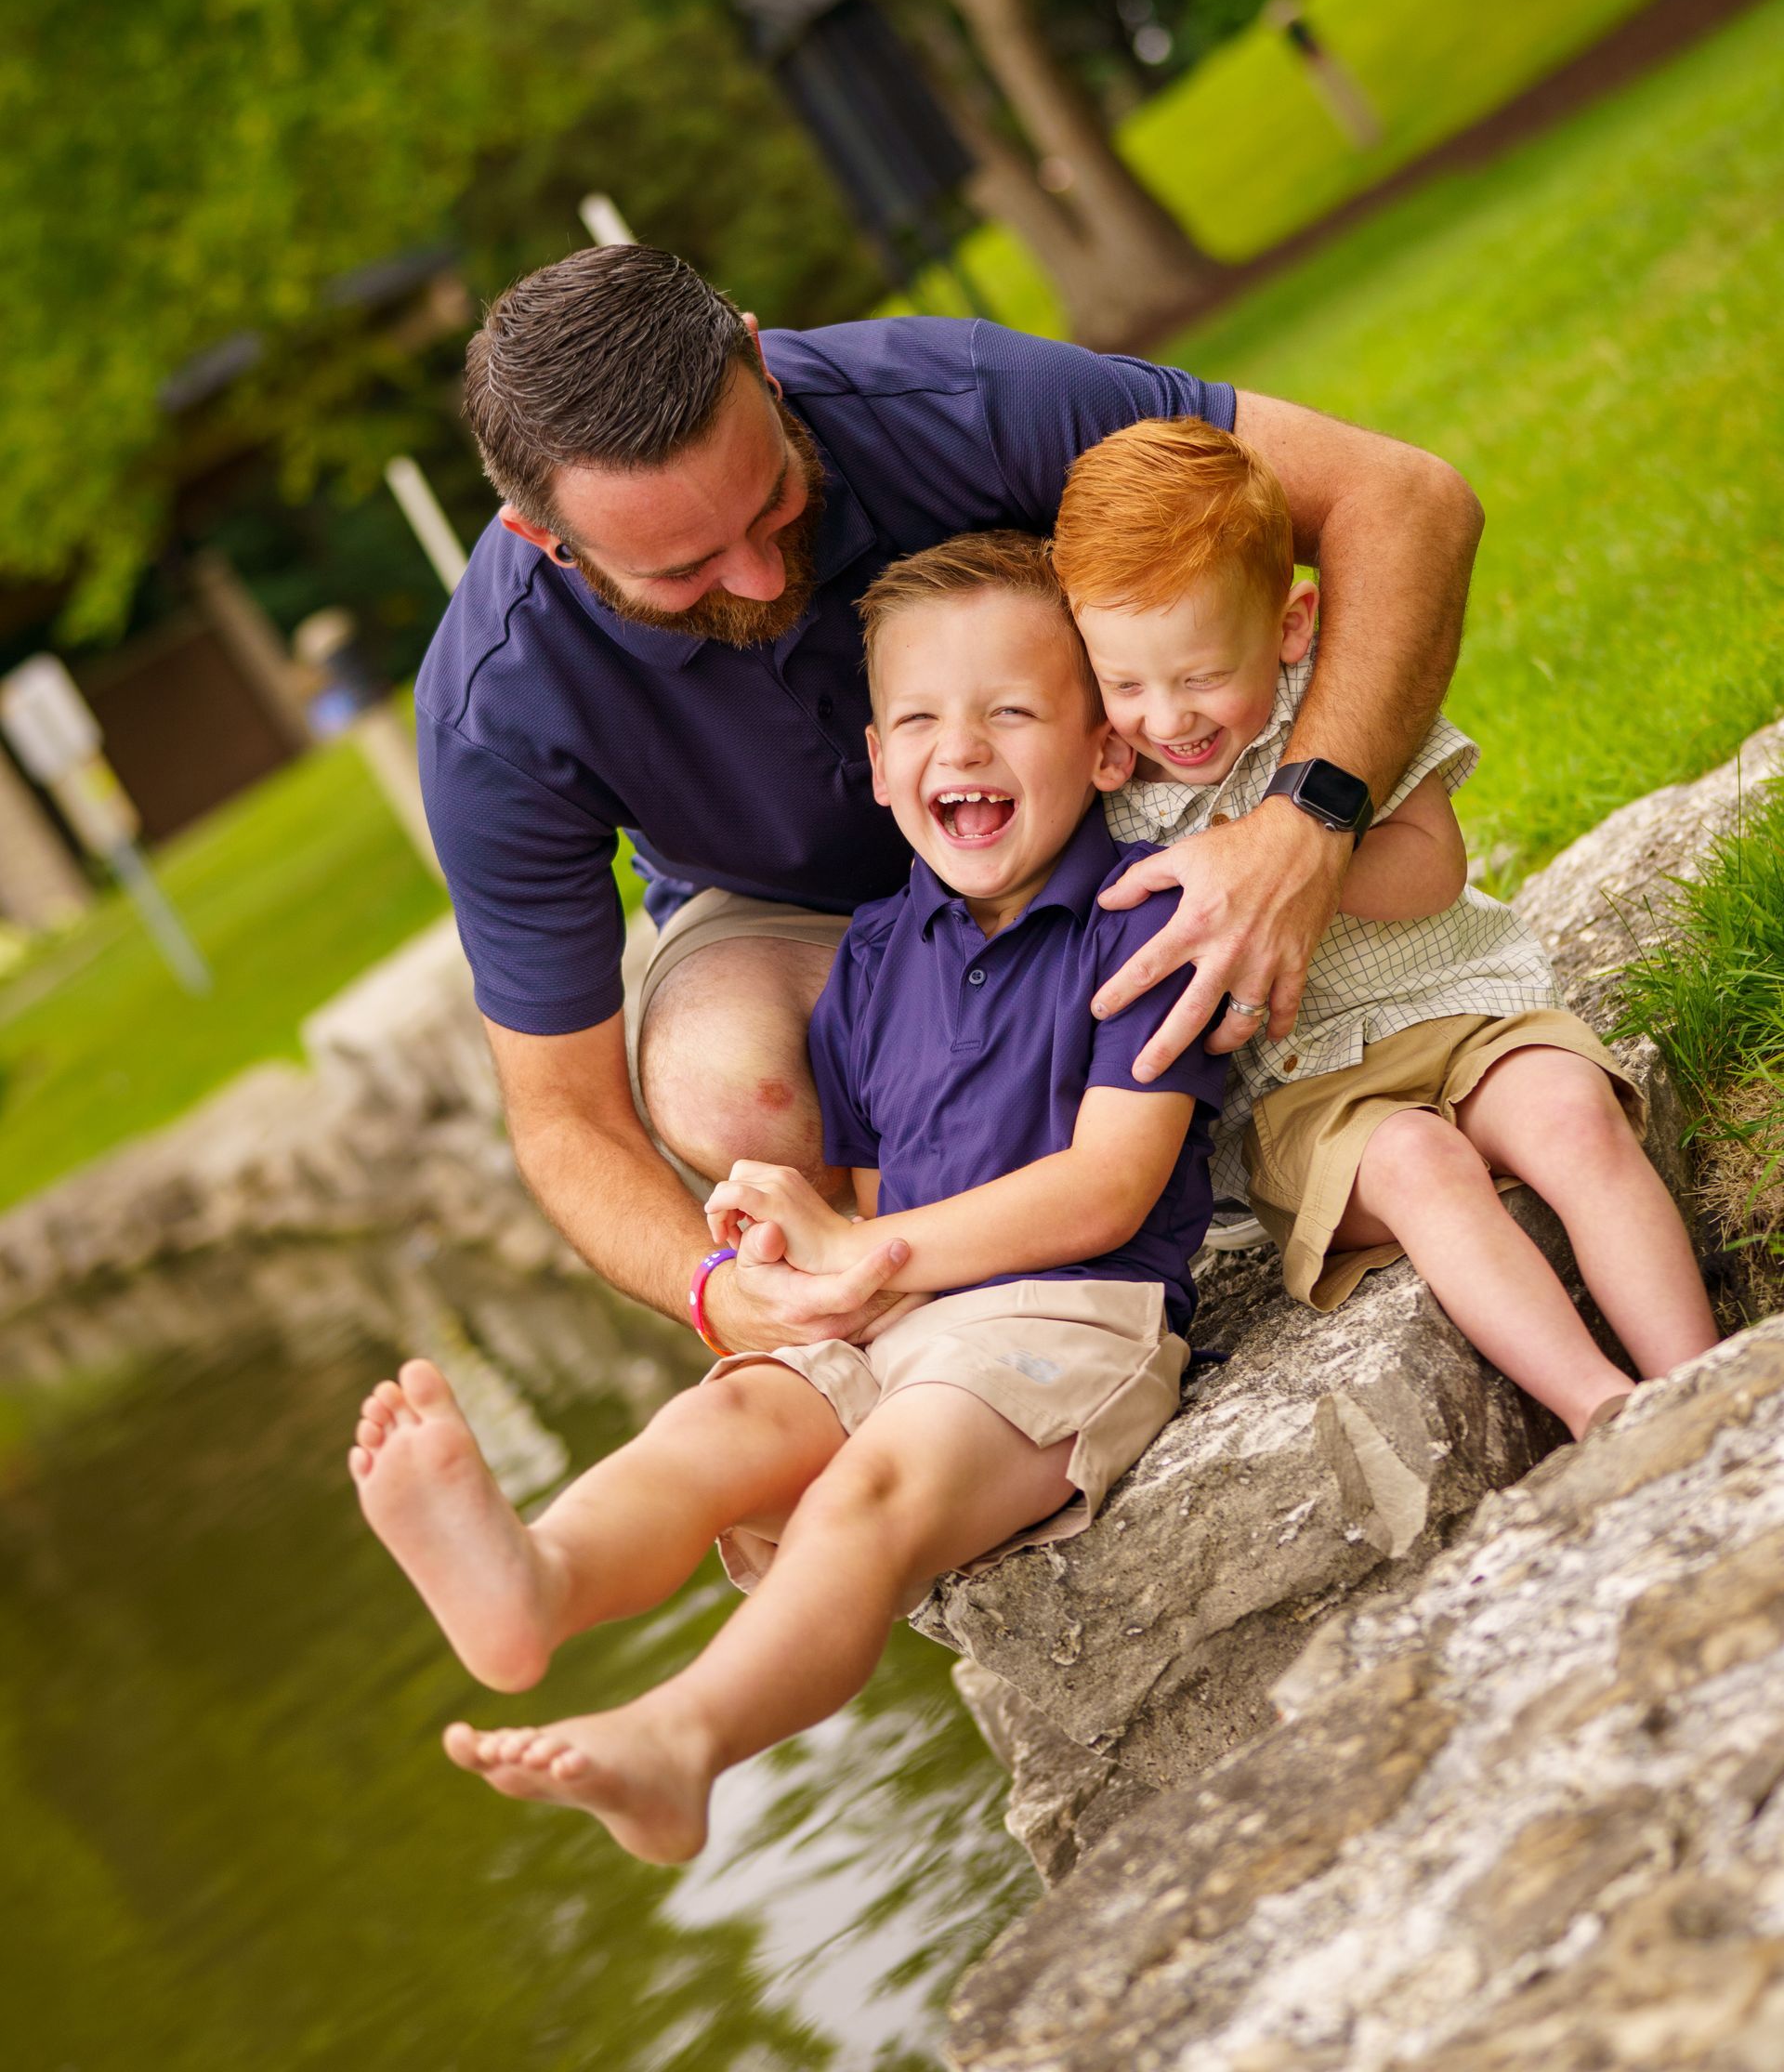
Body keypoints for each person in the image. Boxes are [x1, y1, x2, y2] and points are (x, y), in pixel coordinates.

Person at [415, 243, 1481, 1359]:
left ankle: (1175, 1186)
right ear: (547, 539)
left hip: (1108, 837)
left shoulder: (954, 395)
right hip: (809, 924)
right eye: (684, 572)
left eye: (775, 500)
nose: (764, 580)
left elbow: (1404, 499)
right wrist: (718, 1293)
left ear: (759, 363)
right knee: (728, 1090)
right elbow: (565, 1118)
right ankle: (918, 1339)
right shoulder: (492, 710)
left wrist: (1303, 825)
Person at [352, 533, 1225, 1860]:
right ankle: (536, 1578)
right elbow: (870, 1190)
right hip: (906, 1314)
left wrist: (863, 1256)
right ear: (877, 765)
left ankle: (683, 1738)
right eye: (922, 719)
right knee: (730, 1423)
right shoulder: (873, 960)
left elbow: (1109, 1189)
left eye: (1012, 712)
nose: (963, 749)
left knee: (868, 1492)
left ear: (1107, 748)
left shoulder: (1143, 919)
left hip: (1072, 1324)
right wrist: (814, 1266)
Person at [1051, 416, 1720, 1439]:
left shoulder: (1327, 709)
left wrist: (1270, 858)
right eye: (1126, 684)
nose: (1167, 717)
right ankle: (1607, 1412)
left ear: (1290, 623)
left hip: (1457, 1013)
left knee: (1572, 1114)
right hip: (1303, 1105)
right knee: (1422, 1165)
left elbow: (1430, 867)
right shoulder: (1105, 796)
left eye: (1197, 676)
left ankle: (1708, 1384)